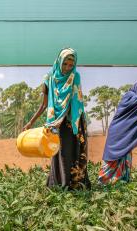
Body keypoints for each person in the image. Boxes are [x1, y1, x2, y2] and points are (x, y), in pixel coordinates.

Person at [23, 48, 91, 190]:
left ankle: (77, 184)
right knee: (61, 154)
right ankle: (61, 184)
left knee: (76, 152)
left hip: (74, 122)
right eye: (65, 64)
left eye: (71, 65)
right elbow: (44, 105)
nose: (67, 68)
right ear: (60, 62)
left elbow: (76, 100)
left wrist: (70, 120)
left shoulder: (75, 76)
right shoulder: (49, 78)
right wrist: (31, 122)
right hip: (57, 124)